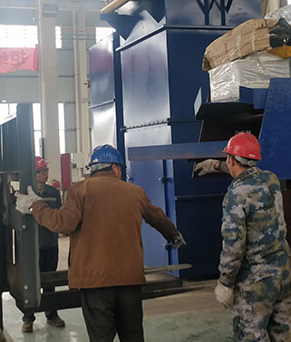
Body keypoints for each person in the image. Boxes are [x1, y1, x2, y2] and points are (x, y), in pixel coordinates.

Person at [15, 144, 185, 342]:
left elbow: (63, 223)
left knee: (101, 338)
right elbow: (158, 217)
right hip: (129, 280)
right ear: (115, 168)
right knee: (133, 336)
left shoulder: (80, 190)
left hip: (95, 281)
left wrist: (35, 205)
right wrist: (173, 236)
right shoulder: (135, 192)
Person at [214, 132, 291, 342]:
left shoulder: (235, 195)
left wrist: (225, 282)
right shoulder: (271, 180)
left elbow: (234, 245)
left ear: (231, 160)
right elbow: (248, 173)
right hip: (283, 277)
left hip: (255, 284)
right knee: (287, 336)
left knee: (251, 336)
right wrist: (216, 166)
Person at [21, 156, 66, 333]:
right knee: (30, 282)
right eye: (41, 171)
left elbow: (60, 214)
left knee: (50, 281)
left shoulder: (53, 192)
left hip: (50, 244)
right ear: (34, 174)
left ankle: (51, 314)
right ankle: (28, 318)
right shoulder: (26, 193)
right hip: (31, 247)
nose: (45, 174)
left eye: (46, 170)